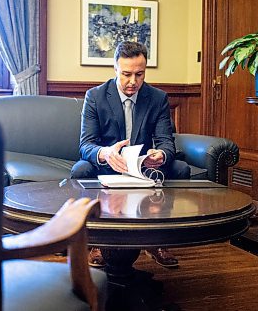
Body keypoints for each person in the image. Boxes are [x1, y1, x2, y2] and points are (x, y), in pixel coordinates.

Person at [70, 41, 190, 268]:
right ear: (115, 69)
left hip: (144, 167)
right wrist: (105, 153)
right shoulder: (95, 96)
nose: (133, 81)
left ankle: (158, 240)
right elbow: (86, 145)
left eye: (139, 74)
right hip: (107, 166)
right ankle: (94, 241)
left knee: (181, 168)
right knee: (80, 170)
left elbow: (166, 142)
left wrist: (161, 155)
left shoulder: (157, 98)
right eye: (126, 74)